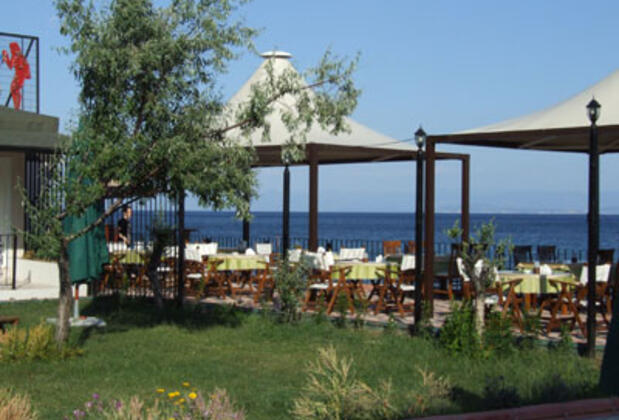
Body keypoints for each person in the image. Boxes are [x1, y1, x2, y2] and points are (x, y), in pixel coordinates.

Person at [2, 42, 31, 110]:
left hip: (19, 76)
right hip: (20, 76)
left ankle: (17, 107)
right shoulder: (20, 56)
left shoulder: (15, 56)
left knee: (14, 89)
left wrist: (6, 56)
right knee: (15, 89)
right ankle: (17, 106)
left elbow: (10, 65)